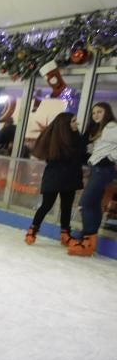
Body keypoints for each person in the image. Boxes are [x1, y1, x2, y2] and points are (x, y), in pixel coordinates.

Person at [24, 113, 84, 246]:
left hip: (70, 178)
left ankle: (65, 233)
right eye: (73, 121)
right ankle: (33, 229)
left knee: (66, 206)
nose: (76, 123)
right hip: (54, 177)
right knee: (46, 204)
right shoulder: (56, 140)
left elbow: (81, 157)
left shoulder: (78, 138)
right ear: (65, 125)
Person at [69, 102, 117, 256]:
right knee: (94, 204)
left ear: (107, 112)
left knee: (85, 204)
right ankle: (89, 241)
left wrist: (111, 157)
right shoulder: (101, 129)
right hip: (97, 169)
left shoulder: (111, 127)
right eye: (94, 112)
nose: (96, 115)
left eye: (99, 112)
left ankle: (87, 239)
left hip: (103, 169)